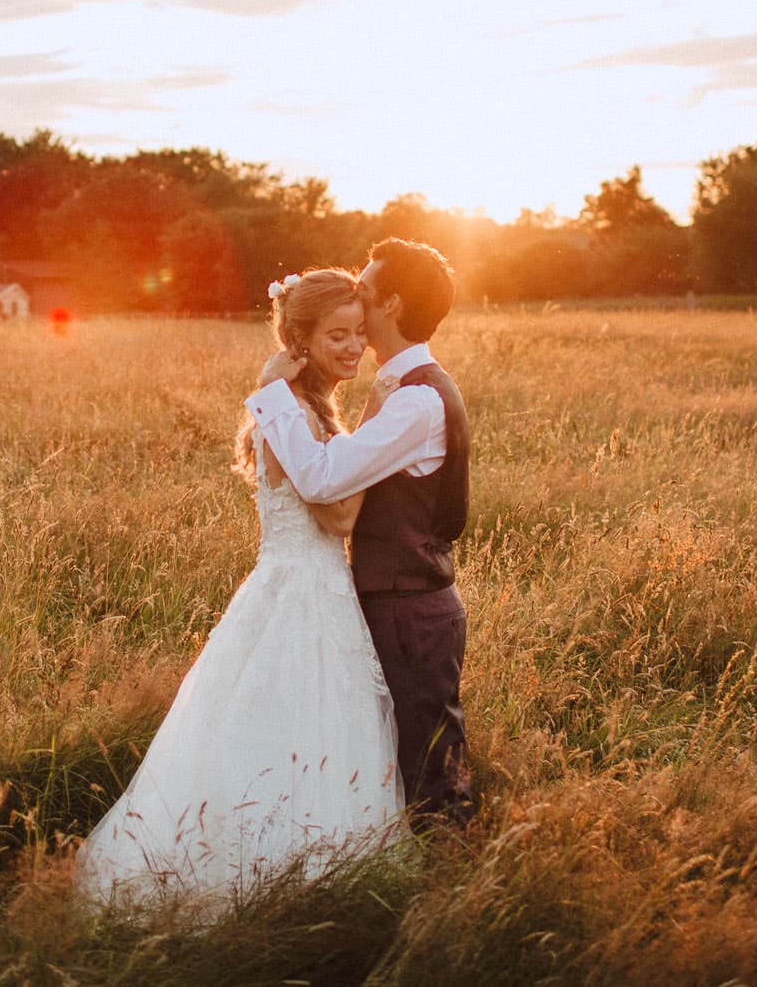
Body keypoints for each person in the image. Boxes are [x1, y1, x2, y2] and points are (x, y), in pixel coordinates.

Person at [74, 268, 403, 911]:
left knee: (308, 732)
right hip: (301, 595)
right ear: (299, 340)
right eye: (336, 334)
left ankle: (323, 881)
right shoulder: (293, 412)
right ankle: (270, 880)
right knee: (291, 731)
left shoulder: (302, 408)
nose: (353, 348)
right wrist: (377, 431)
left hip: (309, 587)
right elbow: (336, 516)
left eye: (360, 333)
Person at [247, 239, 477, 830]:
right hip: (391, 602)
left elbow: (326, 484)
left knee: (430, 769)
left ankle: (452, 880)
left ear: (393, 306)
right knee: (400, 758)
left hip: (410, 607)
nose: (358, 302)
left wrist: (271, 392)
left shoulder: (416, 399)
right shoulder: (402, 394)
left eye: (368, 295)